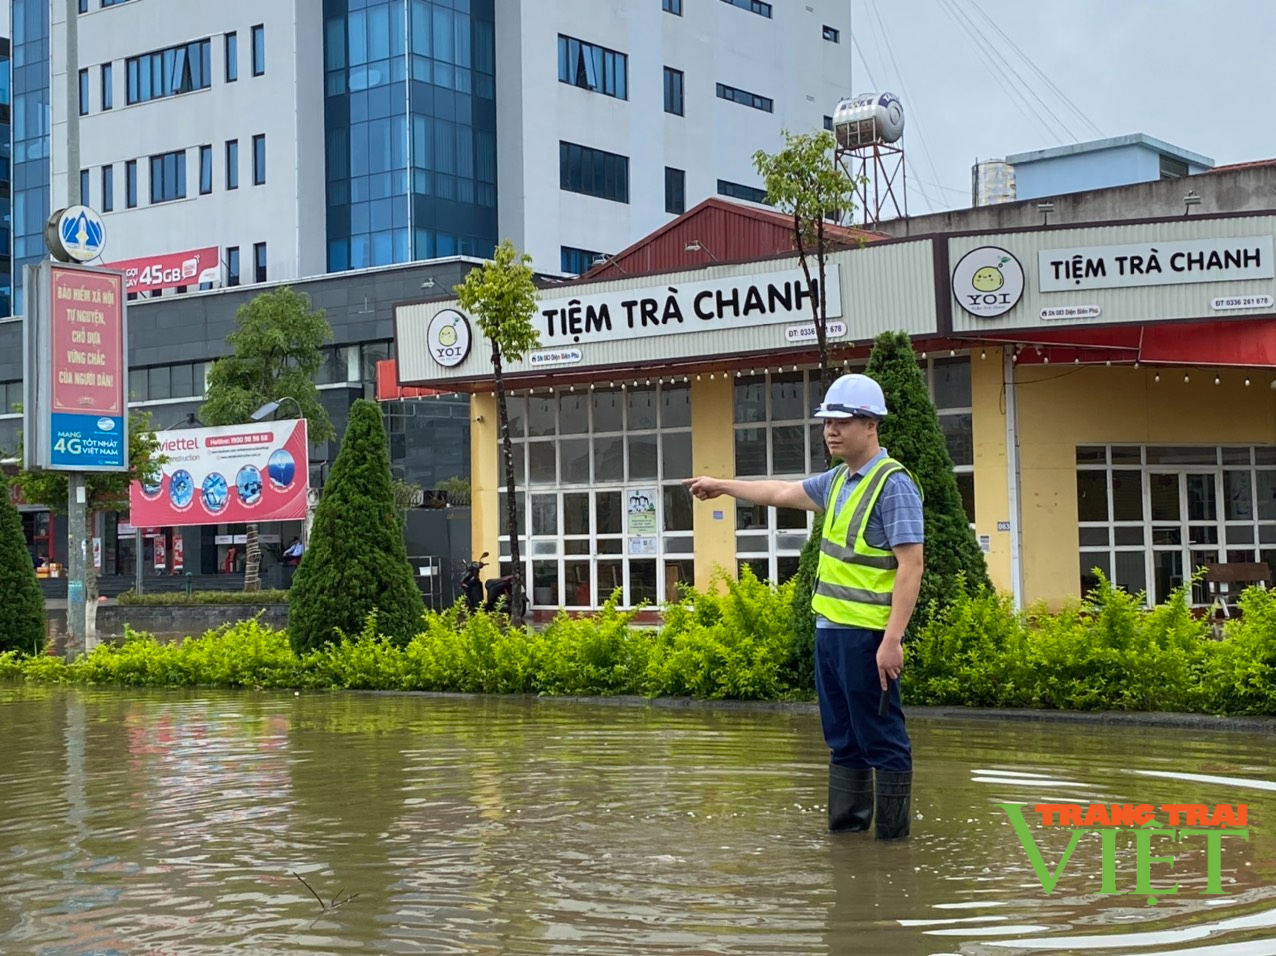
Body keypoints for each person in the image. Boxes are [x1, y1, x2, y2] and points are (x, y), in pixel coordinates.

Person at [683, 372, 924, 840]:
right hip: (830, 633)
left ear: (871, 424)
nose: (831, 430)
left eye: (843, 421)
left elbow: (911, 566)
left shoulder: (892, 485)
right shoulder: (839, 481)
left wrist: (892, 640)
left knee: (884, 741)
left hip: (868, 637)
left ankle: (893, 848)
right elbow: (780, 492)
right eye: (827, 422)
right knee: (843, 740)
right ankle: (848, 841)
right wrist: (722, 485)